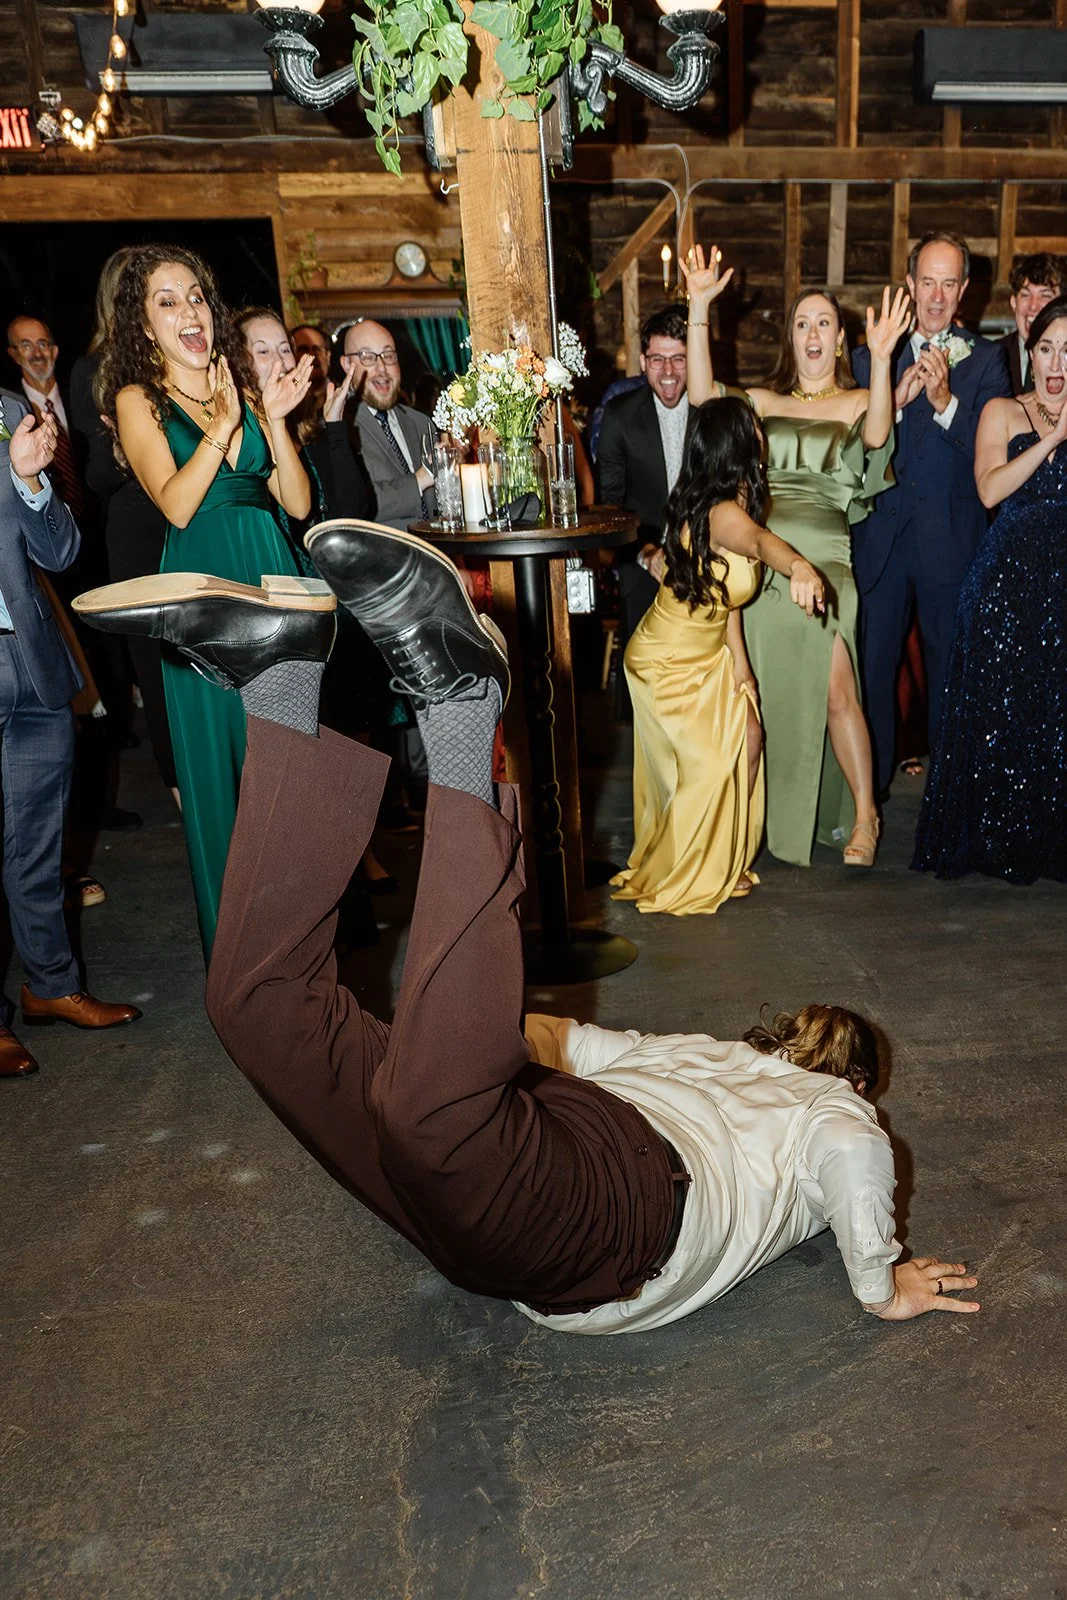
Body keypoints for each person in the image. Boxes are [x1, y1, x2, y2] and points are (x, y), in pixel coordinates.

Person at [72, 532, 978, 1327]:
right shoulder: (822, 1104)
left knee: (255, 1006)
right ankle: (464, 705)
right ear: (856, 1077)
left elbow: (569, 1041)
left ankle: (281, 678)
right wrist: (880, 1283)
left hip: (519, 1188)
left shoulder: (728, 1064)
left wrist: (441, 1046)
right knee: (425, 1111)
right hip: (615, 1211)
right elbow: (855, 1151)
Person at [96, 244, 313, 957]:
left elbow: (297, 500)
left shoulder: (241, 387)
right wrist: (221, 426)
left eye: (195, 295)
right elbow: (178, 505)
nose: (188, 310)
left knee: (287, 767)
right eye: (167, 301)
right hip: (207, 593)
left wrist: (272, 418)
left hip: (273, 581)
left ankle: (303, 942)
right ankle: (246, 961)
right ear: (143, 324)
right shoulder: (139, 399)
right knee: (224, 776)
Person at [685, 247, 909, 868]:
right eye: (802, 322)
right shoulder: (761, 400)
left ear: (841, 339)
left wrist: (885, 358)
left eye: (825, 323)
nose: (813, 332)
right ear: (792, 336)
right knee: (764, 697)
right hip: (761, 566)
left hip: (829, 563)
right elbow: (705, 401)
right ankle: (755, 822)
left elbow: (878, 435)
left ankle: (866, 816)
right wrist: (699, 308)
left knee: (840, 692)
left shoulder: (860, 399)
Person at [610, 396, 826, 915]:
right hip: (666, 656)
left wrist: (743, 670)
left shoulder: (736, 495)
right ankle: (694, 868)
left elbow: (727, 597)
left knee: (749, 735)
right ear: (738, 442)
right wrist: (797, 566)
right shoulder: (726, 512)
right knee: (706, 765)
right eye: (755, 427)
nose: (762, 434)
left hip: (706, 650)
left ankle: (726, 859)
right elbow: (758, 543)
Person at [0, 388, 141, 1079]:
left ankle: (50, 986)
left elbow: (59, 551)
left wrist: (28, 479)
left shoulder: (4, 409)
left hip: (29, 660)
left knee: (36, 842)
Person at [850, 231, 1012, 799]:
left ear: (964, 289)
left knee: (950, 676)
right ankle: (868, 799)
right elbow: (853, 448)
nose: (937, 296)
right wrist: (891, 399)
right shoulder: (872, 352)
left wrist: (946, 405)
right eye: (927, 281)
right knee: (874, 669)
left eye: (949, 283)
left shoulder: (990, 360)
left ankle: (948, 804)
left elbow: (994, 458)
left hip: (951, 539)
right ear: (910, 283)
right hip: (884, 540)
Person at [914, 295, 1067, 883]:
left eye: (1066, 353)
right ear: (1031, 354)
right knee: (1012, 718)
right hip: (1009, 585)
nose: (1056, 364)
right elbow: (988, 491)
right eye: (1046, 349)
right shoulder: (1003, 410)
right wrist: (1052, 440)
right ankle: (1007, 840)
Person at [70, 249, 177, 801]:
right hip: (139, 530)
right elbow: (94, 478)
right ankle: (192, 814)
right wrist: (128, 444)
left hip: (193, 521)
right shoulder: (94, 370)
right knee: (160, 677)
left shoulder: (179, 357)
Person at [597, 308, 696, 654]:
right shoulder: (619, 416)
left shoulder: (712, 411)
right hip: (641, 564)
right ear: (642, 361)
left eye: (679, 359)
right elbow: (610, 506)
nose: (668, 371)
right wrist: (645, 553)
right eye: (657, 359)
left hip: (705, 563)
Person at [340, 319, 435, 530]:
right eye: (368, 357)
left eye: (388, 356)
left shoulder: (421, 423)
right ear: (347, 365)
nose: (381, 368)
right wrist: (420, 479)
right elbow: (352, 505)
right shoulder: (338, 430)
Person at [998, 253, 1067, 395]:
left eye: (1045, 295)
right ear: (1013, 303)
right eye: (1025, 295)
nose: (1033, 306)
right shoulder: (992, 356)